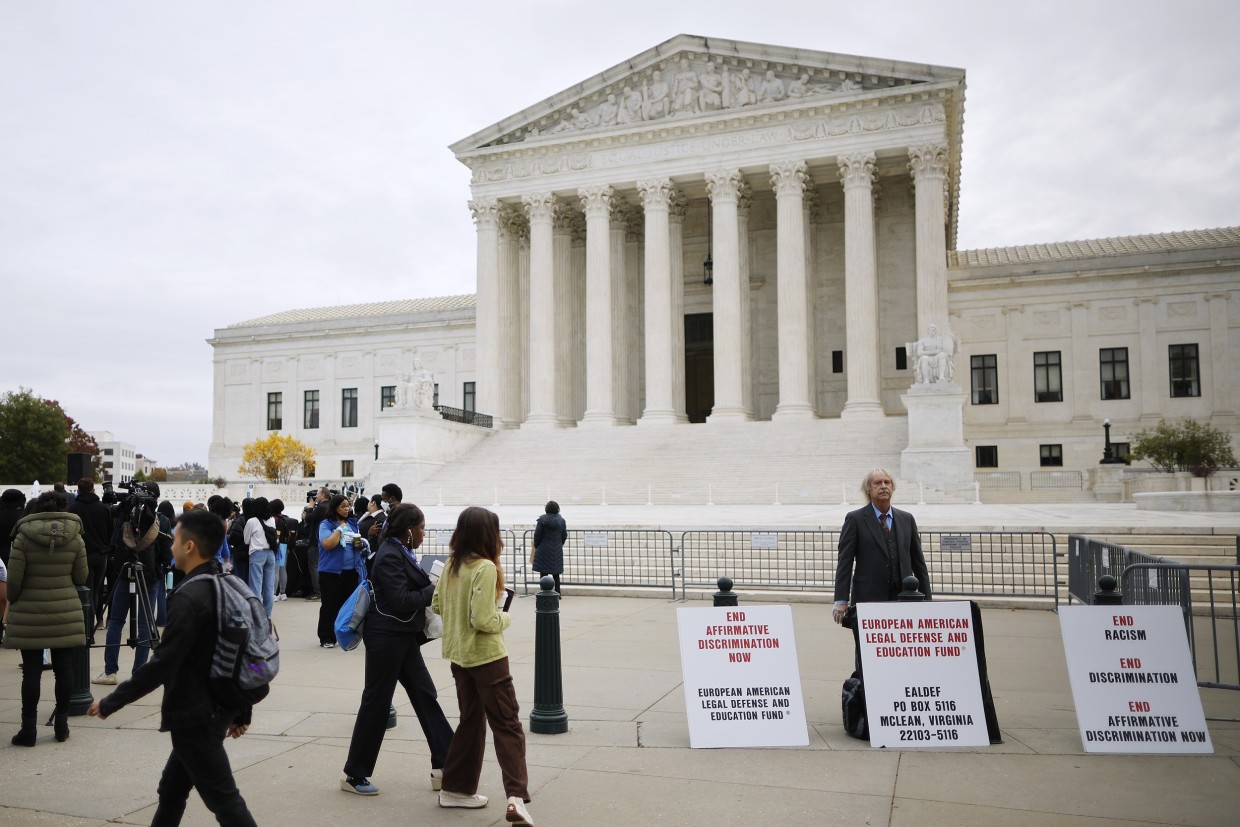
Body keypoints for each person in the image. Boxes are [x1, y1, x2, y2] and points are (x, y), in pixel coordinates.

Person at [88, 509, 258, 826]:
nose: (171, 546)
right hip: (213, 711)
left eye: (176, 539)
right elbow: (243, 653)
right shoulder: (226, 584)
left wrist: (111, 702)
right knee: (172, 790)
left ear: (190, 546)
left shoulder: (190, 596)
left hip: (196, 717)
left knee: (225, 802)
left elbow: (163, 664)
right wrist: (241, 709)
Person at [341, 503, 454, 796]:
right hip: (386, 637)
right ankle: (355, 774)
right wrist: (434, 587)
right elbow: (401, 600)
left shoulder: (400, 550)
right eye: (421, 528)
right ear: (408, 531)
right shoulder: (390, 555)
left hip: (401, 636)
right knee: (377, 702)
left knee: (425, 695)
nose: (424, 533)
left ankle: (447, 765)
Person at [432, 507, 534, 826]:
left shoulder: (451, 564)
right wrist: (505, 616)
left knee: (471, 720)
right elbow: (483, 619)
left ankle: (456, 788)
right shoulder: (485, 567)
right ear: (489, 534)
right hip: (487, 657)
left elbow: (436, 604)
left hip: (458, 654)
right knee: (507, 723)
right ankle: (516, 796)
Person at [4, 490, 88, 745]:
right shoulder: (76, 537)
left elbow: (14, 582)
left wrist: (15, 600)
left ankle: (28, 729)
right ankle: (61, 725)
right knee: (64, 669)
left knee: (31, 672)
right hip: (64, 610)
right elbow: (81, 578)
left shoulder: (22, 537)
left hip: (30, 612)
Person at [833, 469, 932, 670]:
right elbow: (845, 561)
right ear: (869, 489)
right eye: (878, 483)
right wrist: (841, 600)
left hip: (903, 599)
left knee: (902, 652)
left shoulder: (906, 519)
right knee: (868, 655)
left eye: (887, 482)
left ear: (893, 488)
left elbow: (918, 563)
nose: (884, 486)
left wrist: (928, 601)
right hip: (868, 598)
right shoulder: (855, 519)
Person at [95, 490, 169, 685]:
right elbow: (166, 554)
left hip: (125, 572)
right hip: (150, 575)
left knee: (117, 621)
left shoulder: (125, 520)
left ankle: (110, 671)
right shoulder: (162, 521)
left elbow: (113, 543)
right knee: (145, 623)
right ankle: (140, 673)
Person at [317, 494, 364, 648]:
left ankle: (346, 635)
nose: (347, 509)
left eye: (348, 505)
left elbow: (355, 542)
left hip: (351, 572)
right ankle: (327, 637)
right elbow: (327, 544)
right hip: (331, 572)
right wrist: (339, 530)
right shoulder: (326, 524)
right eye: (343, 506)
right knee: (330, 605)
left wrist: (361, 545)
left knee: (348, 606)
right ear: (334, 507)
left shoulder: (352, 523)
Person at [68, 478, 112, 633]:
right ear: (93, 490)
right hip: (101, 555)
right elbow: (110, 532)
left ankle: (86, 629)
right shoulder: (103, 508)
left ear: (78, 491)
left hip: (81, 555)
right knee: (96, 590)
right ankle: (92, 625)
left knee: (84, 590)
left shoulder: (72, 509)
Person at [244, 496, 277, 617]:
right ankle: (267, 615)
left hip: (257, 553)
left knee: (256, 586)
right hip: (270, 554)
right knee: (269, 587)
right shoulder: (272, 520)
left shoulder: (251, 521)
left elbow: (246, 540)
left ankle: (257, 616)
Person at [531, 500, 566, 596]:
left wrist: (537, 545)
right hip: (557, 549)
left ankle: (544, 593)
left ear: (546, 508)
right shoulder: (562, 521)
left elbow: (537, 535)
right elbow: (564, 535)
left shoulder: (542, 520)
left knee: (543, 572)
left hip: (543, 550)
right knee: (556, 574)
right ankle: (558, 593)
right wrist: (559, 544)